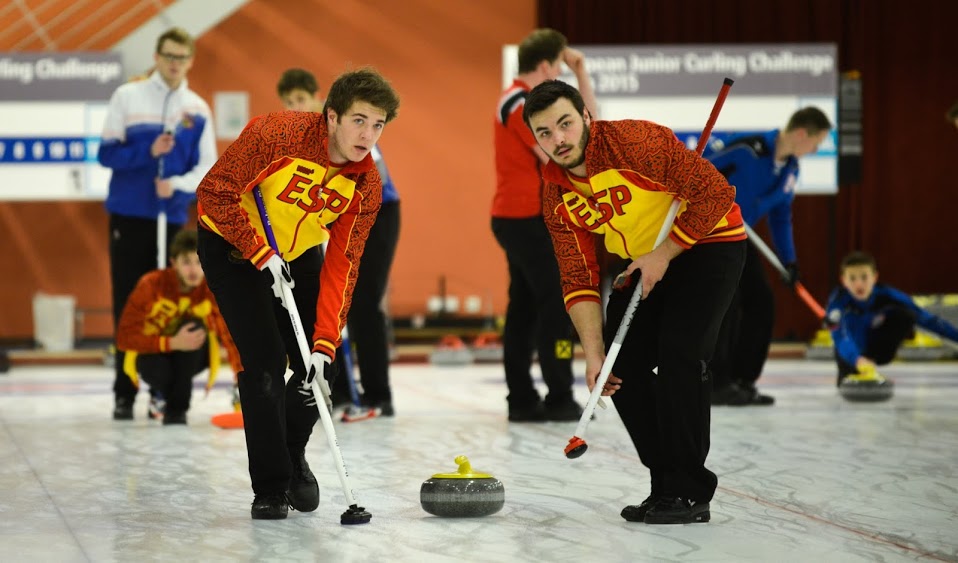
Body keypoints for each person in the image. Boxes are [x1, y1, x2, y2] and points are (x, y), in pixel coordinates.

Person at [523, 80, 746, 524]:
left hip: (709, 242)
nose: (558, 140)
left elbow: (717, 193)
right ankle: (665, 483)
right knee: (618, 370)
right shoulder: (555, 192)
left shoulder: (634, 142)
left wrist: (664, 255)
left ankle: (689, 492)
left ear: (586, 116)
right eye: (544, 133)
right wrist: (593, 355)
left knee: (681, 353)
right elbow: (577, 276)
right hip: (645, 259)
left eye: (565, 124)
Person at [196, 68, 400, 520]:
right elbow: (214, 193)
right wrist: (257, 249)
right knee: (266, 366)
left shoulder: (366, 185)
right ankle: (270, 486)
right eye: (359, 121)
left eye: (379, 125)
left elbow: (343, 266)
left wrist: (327, 341)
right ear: (331, 116)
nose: (368, 135)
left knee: (313, 366)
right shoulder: (276, 135)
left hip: (298, 252)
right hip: (233, 247)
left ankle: (290, 454)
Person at [98, 27, 217, 420]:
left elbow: (206, 168)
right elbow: (106, 154)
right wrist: (146, 151)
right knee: (130, 304)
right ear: (156, 55)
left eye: (182, 57)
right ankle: (123, 392)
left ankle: (162, 393)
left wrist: (177, 184)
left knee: (173, 306)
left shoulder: (198, 109)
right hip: (130, 217)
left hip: (173, 221)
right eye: (168, 55)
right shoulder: (127, 98)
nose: (174, 63)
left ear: (191, 60)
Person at [276, 68, 401, 416]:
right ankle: (341, 391)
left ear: (320, 101)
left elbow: (371, 180)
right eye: (287, 102)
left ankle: (379, 394)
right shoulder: (303, 138)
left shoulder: (346, 130)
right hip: (329, 218)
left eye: (299, 99)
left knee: (363, 302)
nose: (293, 107)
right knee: (327, 302)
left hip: (377, 214)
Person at [491, 29, 596, 422]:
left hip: (522, 217)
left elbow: (589, 131)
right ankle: (558, 394)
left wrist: (582, 71)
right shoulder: (519, 103)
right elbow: (570, 150)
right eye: (563, 67)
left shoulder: (518, 99)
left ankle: (522, 398)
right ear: (548, 66)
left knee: (525, 307)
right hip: (525, 218)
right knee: (555, 303)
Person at [706, 107, 832, 406]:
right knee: (727, 304)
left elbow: (780, 217)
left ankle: (742, 379)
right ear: (802, 133)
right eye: (816, 143)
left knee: (762, 302)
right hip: (708, 235)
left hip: (740, 238)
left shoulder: (790, 169)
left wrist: (789, 261)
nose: (814, 151)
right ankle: (716, 383)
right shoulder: (749, 149)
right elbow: (699, 171)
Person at [116, 230, 240, 424]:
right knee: (160, 367)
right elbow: (125, 337)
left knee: (194, 327)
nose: (193, 270)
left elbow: (229, 335)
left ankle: (177, 410)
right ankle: (162, 394)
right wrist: (171, 342)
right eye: (186, 262)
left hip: (194, 353)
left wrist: (241, 377)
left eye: (199, 262)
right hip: (153, 356)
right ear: (174, 263)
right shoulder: (151, 285)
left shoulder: (210, 288)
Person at [826, 251, 958, 385]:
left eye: (864, 277)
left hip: (875, 349)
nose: (859, 284)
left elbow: (929, 320)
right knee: (847, 385)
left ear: (875, 277)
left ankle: (870, 359)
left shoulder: (889, 296)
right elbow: (840, 337)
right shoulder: (838, 302)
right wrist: (856, 359)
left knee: (906, 315)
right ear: (843, 281)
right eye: (852, 278)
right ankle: (854, 368)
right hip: (849, 353)